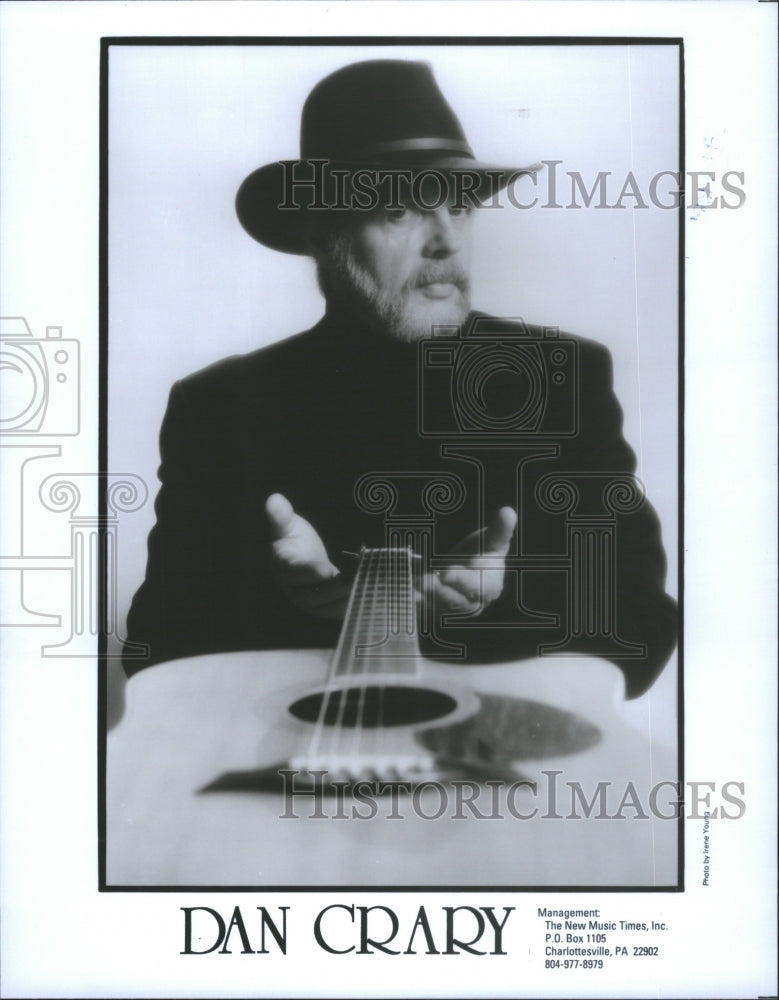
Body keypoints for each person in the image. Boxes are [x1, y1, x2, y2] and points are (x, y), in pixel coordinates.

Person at [123, 59, 677, 698]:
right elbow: (156, 652)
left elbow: (641, 630)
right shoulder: (220, 406)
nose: (446, 241)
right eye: (399, 212)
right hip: (295, 786)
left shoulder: (562, 379)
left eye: (461, 206)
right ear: (321, 234)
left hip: (499, 782)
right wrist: (292, 602)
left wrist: (491, 605)